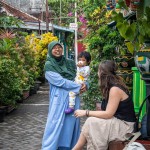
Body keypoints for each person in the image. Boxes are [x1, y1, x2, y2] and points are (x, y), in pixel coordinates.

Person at [72, 60, 137, 150]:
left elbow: (108, 114)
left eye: (98, 71)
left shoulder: (115, 89)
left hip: (126, 127)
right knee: (92, 122)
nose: (97, 74)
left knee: (91, 121)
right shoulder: (111, 87)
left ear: (102, 73)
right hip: (118, 122)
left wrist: (86, 112)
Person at [42, 41, 87, 150]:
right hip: (59, 98)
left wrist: (85, 84)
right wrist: (78, 87)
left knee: (70, 123)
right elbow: (59, 82)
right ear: (50, 50)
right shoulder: (49, 65)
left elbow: (81, 75)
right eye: (54, 48)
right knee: (55, 123)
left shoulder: (70, 62)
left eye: (59, 47)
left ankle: (69, 147)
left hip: (73, 97)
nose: (57, 50)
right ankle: (50, 147)